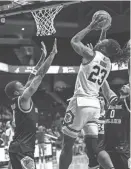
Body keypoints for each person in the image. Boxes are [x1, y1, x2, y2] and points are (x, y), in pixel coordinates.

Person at [59, 13, 121, 169]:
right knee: (95, 147)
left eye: (103, 42)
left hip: (80, 102)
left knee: (67, 145)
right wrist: (104, 30)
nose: (100, 42)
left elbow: (74, 41)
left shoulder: (91, 54)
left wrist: (91, 26)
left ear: (105, 48)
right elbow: (102, 45)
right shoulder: (107, 63)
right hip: (95, 106)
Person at [4, 39, 58, 169]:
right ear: (17, 92)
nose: (25, 86)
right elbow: (39, 76)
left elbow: (31, 76)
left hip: (18, 148)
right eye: (21, 86)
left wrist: (42, 58)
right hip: (23, 149)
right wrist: (52, 55)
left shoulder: (19, 101)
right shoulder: (23, 99)